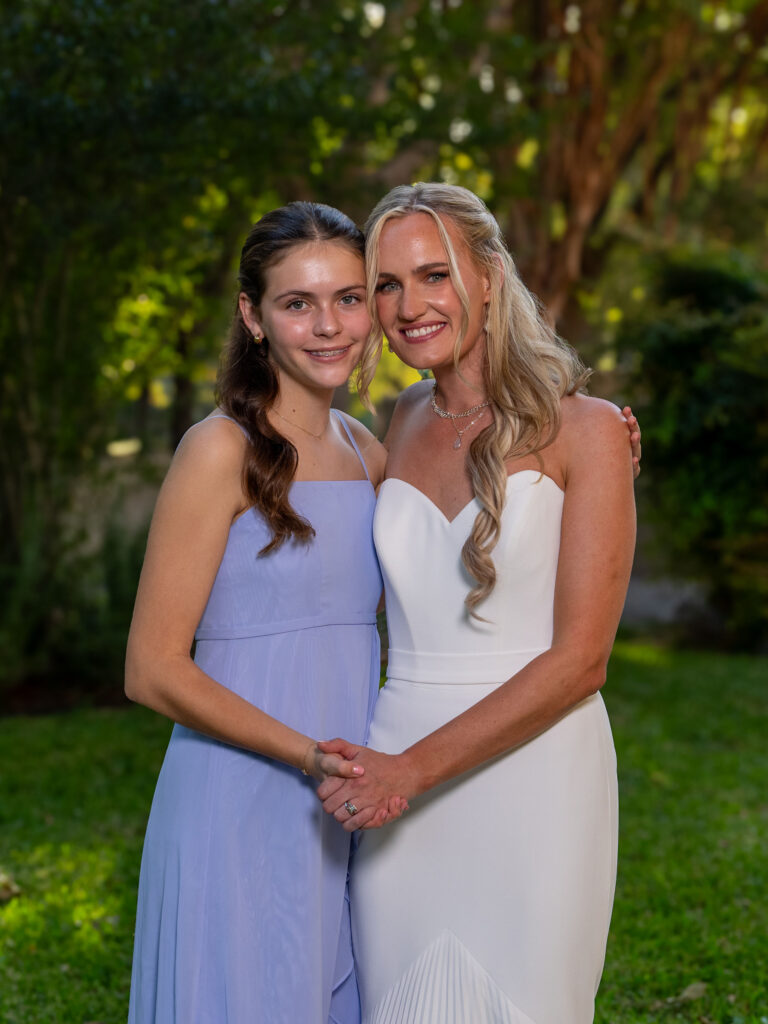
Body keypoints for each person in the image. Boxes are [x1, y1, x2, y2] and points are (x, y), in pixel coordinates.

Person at [316, 183, 638, 1024]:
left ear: (489, 275)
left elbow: (582, 661)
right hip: (396, 761)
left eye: (435, 274)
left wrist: (410, 772)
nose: (409, 306)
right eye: (386, 284)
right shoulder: (400, 417)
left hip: (534, 771)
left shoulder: (588, 427)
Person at [125, 202, 396, 1024]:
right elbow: (151, 668)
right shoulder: (219, 448)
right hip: (241, 794)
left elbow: (480, 495)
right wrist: (308, 755)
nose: (329, 327)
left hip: (350, 796)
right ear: (253, 315)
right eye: (297, 303)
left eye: (349, 298)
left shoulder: (366, 448)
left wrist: (590, 435)